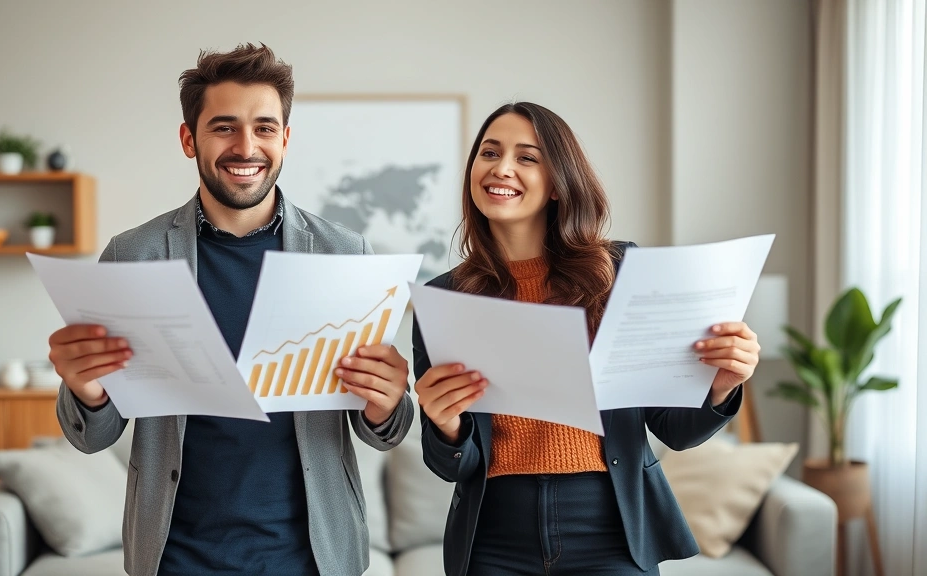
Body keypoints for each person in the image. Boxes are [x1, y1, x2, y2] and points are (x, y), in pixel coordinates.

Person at [47, 43, 414, 576]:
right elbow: (91, 436)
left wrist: (386, 401)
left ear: (285, 139)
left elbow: (388, 428)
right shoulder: (132, 255)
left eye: (265, 128)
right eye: (224, 127)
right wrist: (86, 390)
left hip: (314, 560)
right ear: (188, 139)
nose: (247, 146)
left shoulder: (344, 252)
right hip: (174, 559)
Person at [413, 102, 760, 576]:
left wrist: (720, 385)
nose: (502, 168)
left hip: (609, 529)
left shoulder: (618, 273)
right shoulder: (444, 298)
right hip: (495, 537)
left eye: (527, 157)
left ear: (558, 183)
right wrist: (445, 425)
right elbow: (454, 464)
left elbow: (674, 429)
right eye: (489, 153)